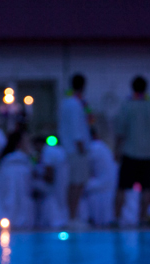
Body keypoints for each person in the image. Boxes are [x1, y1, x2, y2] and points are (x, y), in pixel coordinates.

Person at [114, 76, 150, 225]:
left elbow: (120, 132)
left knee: (122, 187)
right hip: (148, 153)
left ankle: (117, 218)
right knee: (147, 188)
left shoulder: (127, 106)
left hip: (130, 152)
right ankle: (142, 218)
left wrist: (117, 151)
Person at [59, 73, 91, 228]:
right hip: (76, 150)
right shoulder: (74, 104)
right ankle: (72, 217)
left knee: (75, 184)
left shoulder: (67, 103)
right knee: (76, 184)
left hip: (71, 149)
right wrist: (81, 147)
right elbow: (76, 128)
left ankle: (73, 216)